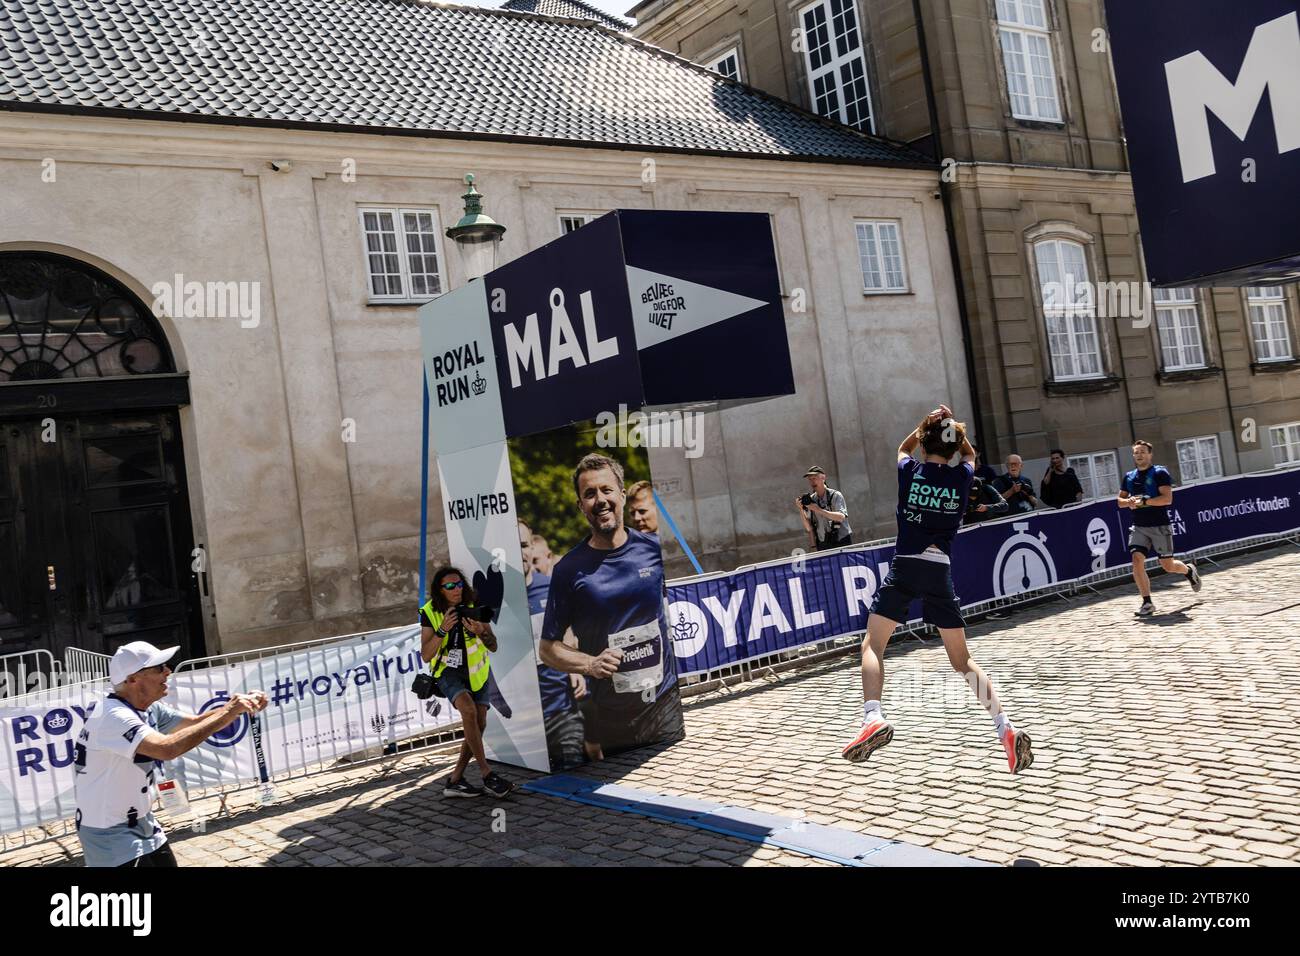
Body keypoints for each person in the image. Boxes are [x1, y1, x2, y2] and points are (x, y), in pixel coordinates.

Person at [842, 405, 1034, 774]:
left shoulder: (910, 471)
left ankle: (872, 717)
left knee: (873, 644)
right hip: (940, 569)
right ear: (954, 448)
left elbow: (903, 448)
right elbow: (970, 454)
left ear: (925, 444)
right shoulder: (962, 477)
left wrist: (927, 422)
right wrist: (952, 431)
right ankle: (1004, 728)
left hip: (907, 564)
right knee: (962, 661)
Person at [539, 453, 683, 760]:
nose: (599, 500)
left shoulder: (654, 549)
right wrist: (590, 664)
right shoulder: (568, 569)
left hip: (664, 702)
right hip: (613, 717)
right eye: (589, 494)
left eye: (606, 490)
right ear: (581, 506)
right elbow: (548, 648)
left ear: (621, 493)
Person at [74, 641, 269, 867]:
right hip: (108, 830)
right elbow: (166, 748)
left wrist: (240, 706)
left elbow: (195, 723)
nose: (168, 672)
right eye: (159, 668)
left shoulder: (147, 707)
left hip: (142, 821)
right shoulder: (112, 715)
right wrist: (228, 712)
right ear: (133, 679)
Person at [420, 566, 513, 798]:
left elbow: (493, 645)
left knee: (478, 724)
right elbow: (426, 655)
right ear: (440, 590)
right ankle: (486, 773)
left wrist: (482, 631)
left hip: (478, 672)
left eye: (459, 584)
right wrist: (442, 630)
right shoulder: (430, 611)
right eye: (450, 586)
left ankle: (455, 780)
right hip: (448, 673)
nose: (456, 589)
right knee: (468, 711)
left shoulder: (474, 605)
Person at [519, 519, 589, 770]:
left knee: (575, 773)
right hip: (522, 720)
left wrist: (574, 666)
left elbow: (568, 629)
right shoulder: (493, 600)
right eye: (512, 545)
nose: (521, 552)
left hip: (561, 707)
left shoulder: (550, 587)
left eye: (524, 545)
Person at [1118, 440, 1202, 617]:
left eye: (1142, 452)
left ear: (1150, 454)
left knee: (1168, 566)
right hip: (1139, 526)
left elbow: (1167, 499)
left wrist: (1144, 501)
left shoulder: (1159, 473)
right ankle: (1147, 602)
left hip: (1159, 525)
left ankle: (1188, 570)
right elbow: (1120, 501)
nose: (1139, 455)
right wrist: (1129, 502)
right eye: (1136, 452)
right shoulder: (1129, 476)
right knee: (1136, 560)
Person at [795, 465, 853, 551]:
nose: (812, 482)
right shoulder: (812, 500)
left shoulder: (835, 495)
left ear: (823, 478)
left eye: (814, 478)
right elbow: (808, 528)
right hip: (823, 544)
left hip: (841, 541)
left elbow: (841, 517)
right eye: (810, 479)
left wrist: (817, 509)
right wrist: (800, 509)